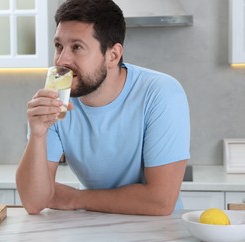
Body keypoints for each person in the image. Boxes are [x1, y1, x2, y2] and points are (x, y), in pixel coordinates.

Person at [16, 0, 190, 216]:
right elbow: (34, 203)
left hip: (158, 235)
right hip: (93, 229)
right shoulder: (55, 103)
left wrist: (73, 198)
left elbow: (160, 202)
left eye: (77, 47)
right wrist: (37, 134)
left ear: (113, 55)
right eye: (59, 46)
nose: (62, 59)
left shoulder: (161, 92)